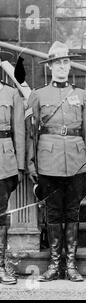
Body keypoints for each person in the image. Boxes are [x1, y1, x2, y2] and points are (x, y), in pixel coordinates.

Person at [27, 41, 86, 282]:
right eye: (57, 63)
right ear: (50, 67)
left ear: (70, 66)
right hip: (48, 160)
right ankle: (55, 264)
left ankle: (71, 265)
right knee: (54, 212)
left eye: (65, 63)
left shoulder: (80, 94)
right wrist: (31, 162)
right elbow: (31, 132)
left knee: (73, 211)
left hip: (76, 159)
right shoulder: (38, 95)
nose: (62, 67)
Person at [0, 50, 25, 285]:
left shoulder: (11, 94)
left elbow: (19, 131)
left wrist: (19, 166)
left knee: (0, 216)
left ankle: (0, 267)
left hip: (3, 162)